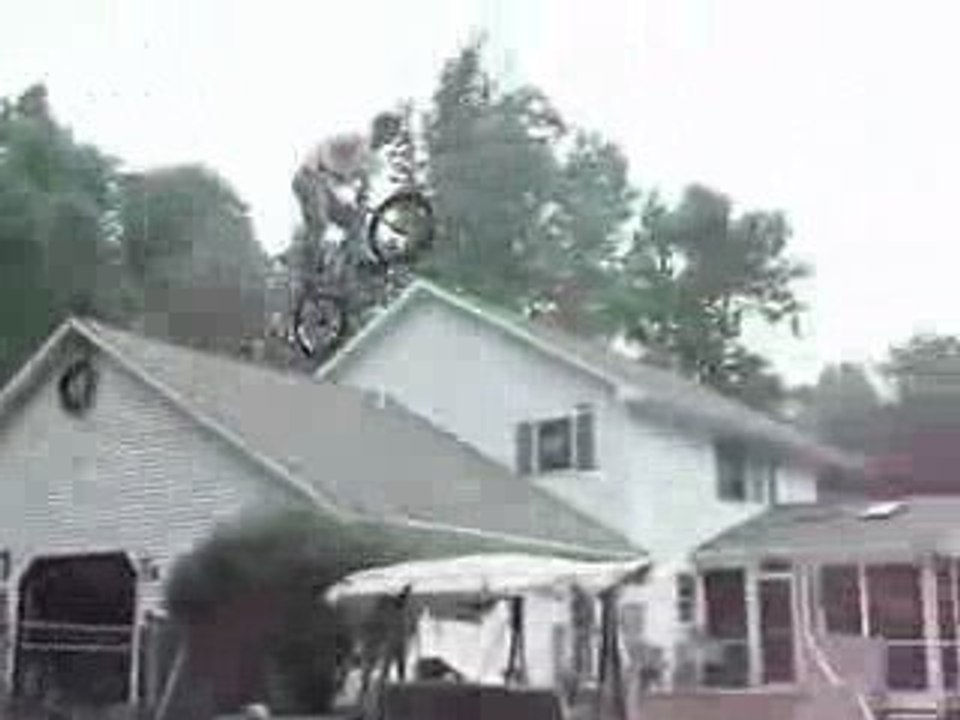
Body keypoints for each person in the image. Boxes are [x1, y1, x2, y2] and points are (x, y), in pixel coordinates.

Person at [291, 112, 403, 274]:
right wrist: (328, 169)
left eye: (393, 134)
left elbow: (364, 189)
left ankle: (350, 266)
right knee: (320, 220)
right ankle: (307, 266)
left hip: (327, 189)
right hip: (308, 176)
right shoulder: (354, 140)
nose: (389, 137)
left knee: (354, 221)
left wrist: (361, 204)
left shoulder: (376, 163)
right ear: (377, 127)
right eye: (388, 131)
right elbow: (323, 146)